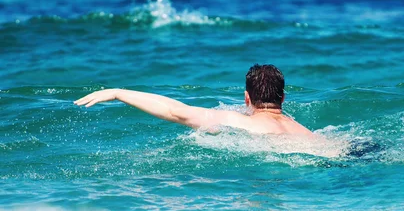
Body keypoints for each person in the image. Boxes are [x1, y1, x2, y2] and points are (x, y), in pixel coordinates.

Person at [74, 64, 312, 135]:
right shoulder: (304, 131)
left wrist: (118, 93)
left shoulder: (237, 121)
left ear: (247, 98)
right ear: (283, 97)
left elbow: (175, 111)